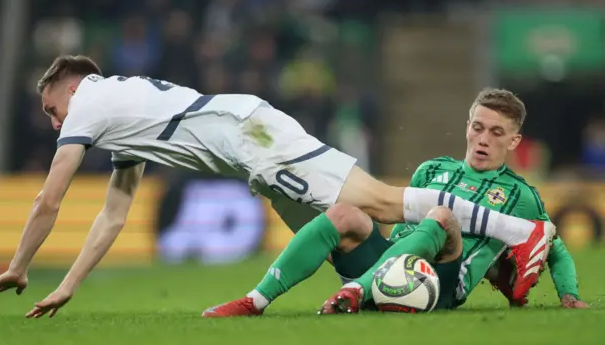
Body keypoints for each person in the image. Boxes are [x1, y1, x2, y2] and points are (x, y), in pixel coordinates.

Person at [0, 56, 553, 318]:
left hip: (248, 134)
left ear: (72, 88)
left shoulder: (90, 101)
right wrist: (69, 287)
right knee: (344, 227)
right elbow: (112, 216)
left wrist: (21, 264)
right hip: (248, 144)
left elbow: (48, 198)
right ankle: (393, 286)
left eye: (51, 108)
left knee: (378, 199)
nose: (55, 122)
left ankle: (522, 233)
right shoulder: (121, 122)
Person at [203, 88, 586, 317]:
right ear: (467, 126)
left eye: (496, 132)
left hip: (444, 281)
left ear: (514, 142)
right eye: (478, 127)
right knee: (343, 214)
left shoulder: (521, 196)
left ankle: (355, 292)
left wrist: (569, 295)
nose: (483, 139)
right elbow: (400, 230)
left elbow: (553, 246)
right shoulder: (432, 169)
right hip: (393, 267)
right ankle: (254, 301)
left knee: (441, 216)